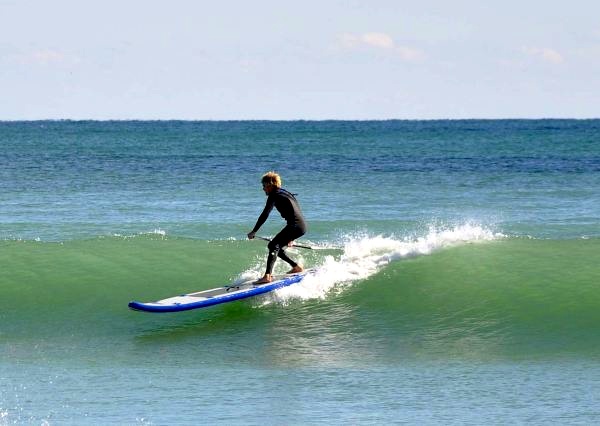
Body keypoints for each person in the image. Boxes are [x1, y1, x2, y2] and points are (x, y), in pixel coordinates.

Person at [247, 171, 307, 284]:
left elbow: (265, 214)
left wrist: (254, 231)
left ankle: (267, 276)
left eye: (264, 186)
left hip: (294, 226)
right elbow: (296, 211)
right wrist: (291, 237)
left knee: (273, 245)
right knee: (276, 247)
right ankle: (296, 267)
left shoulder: (274, 195)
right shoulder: (285, 193)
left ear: (270, 185)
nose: (263, 189)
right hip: (301, 225)